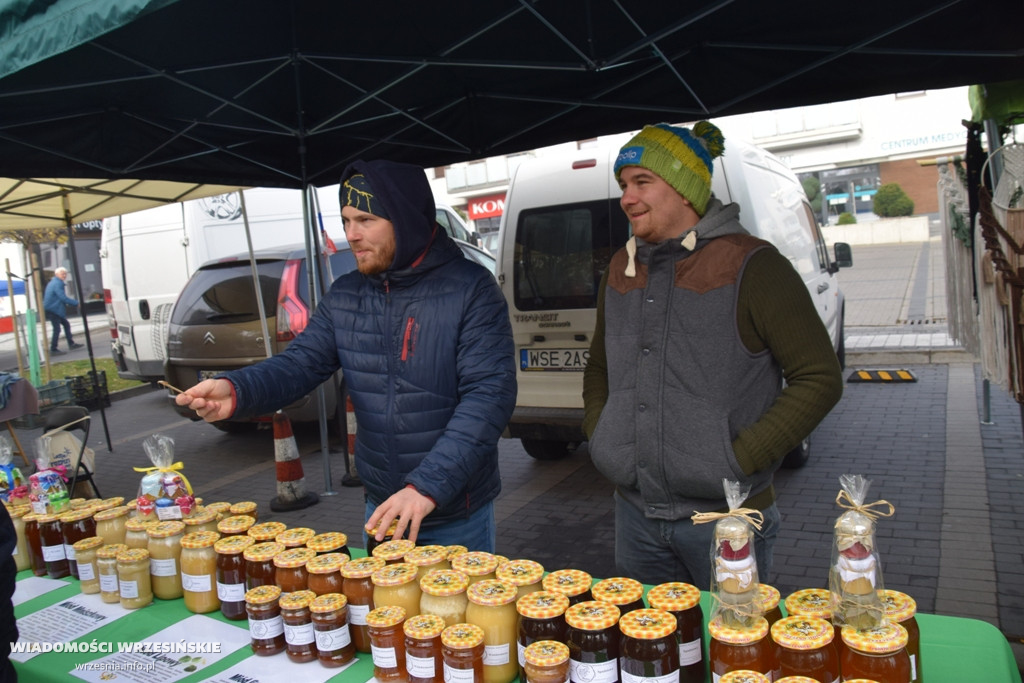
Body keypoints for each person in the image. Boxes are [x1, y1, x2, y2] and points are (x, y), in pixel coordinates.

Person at [176, 160, 516, 551]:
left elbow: (489, 398)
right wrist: (236, 390)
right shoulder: (346, 294)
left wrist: (427, 487)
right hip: (382, 509)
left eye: (366, 219)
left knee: (459, 614)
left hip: (454, 512)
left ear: (404, 219)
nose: (352, 235)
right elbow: (299, 364)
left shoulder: (471, 289)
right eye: (346, 220)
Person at [581, 121, 843, 588]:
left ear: (685, 191)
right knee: (652, 654)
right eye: (624, 184)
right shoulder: (619, 273)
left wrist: (736, 460)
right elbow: (600, 366)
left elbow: (819, 377)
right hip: (635, 518)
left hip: (729, 522)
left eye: (643, 182)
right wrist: (601, 436)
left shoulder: (755, 266)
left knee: (734, 652)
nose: (627, 197)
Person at [43, 267, 81, 355]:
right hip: (54, 309)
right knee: (57, 329)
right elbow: (62, 297)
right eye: (62, 273)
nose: (64, 275)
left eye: (65, 273)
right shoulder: (57, 283)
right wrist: (76, 303)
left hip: (53, 308)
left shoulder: (54, 282)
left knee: (66, 325)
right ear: (57, 274)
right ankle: (53, 349)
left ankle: (71, 343)